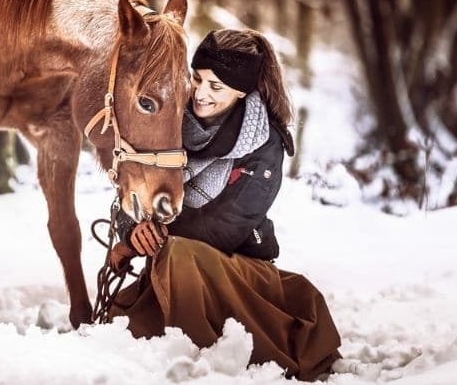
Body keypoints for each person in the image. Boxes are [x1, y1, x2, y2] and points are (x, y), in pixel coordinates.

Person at [108, 28, 341, 381]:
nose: (200, 93)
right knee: (124, 322)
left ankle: (208, 362)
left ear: (241, 90)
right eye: (197, 78)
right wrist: (131, 230)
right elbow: (131, 187)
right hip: (173, 256)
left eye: (216, 86)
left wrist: (154, 232)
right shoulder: (168, 120)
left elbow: (227, 227)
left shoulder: (265, 143)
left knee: (179, 254)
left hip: (237, 264)